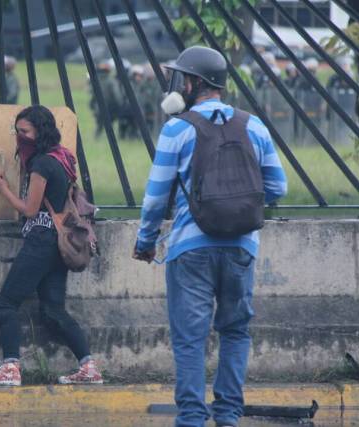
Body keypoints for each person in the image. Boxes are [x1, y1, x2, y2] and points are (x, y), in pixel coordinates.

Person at [133, 46, 287, 427]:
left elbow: (155, 199)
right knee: (235, 331)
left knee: (190, 337)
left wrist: (145, 241)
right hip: (242, 247)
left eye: (181, 78)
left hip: (190, 248)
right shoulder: (254, 125)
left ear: (193, 83)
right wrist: (240, 208)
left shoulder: (177, 128)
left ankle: (191, 419)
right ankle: (229, 416)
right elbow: (278, 186)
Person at [0, 105, 103, 387]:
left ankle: (10, 368)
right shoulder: (64, 157)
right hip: (61, 242)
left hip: (43, 240)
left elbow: (30, 209)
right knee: (53, 310)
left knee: (3, 304)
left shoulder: (42, 163)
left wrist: (3, 189)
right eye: (17, 131)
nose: (20, 137)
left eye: (25, 132)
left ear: (39, 132)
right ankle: (89, 367)